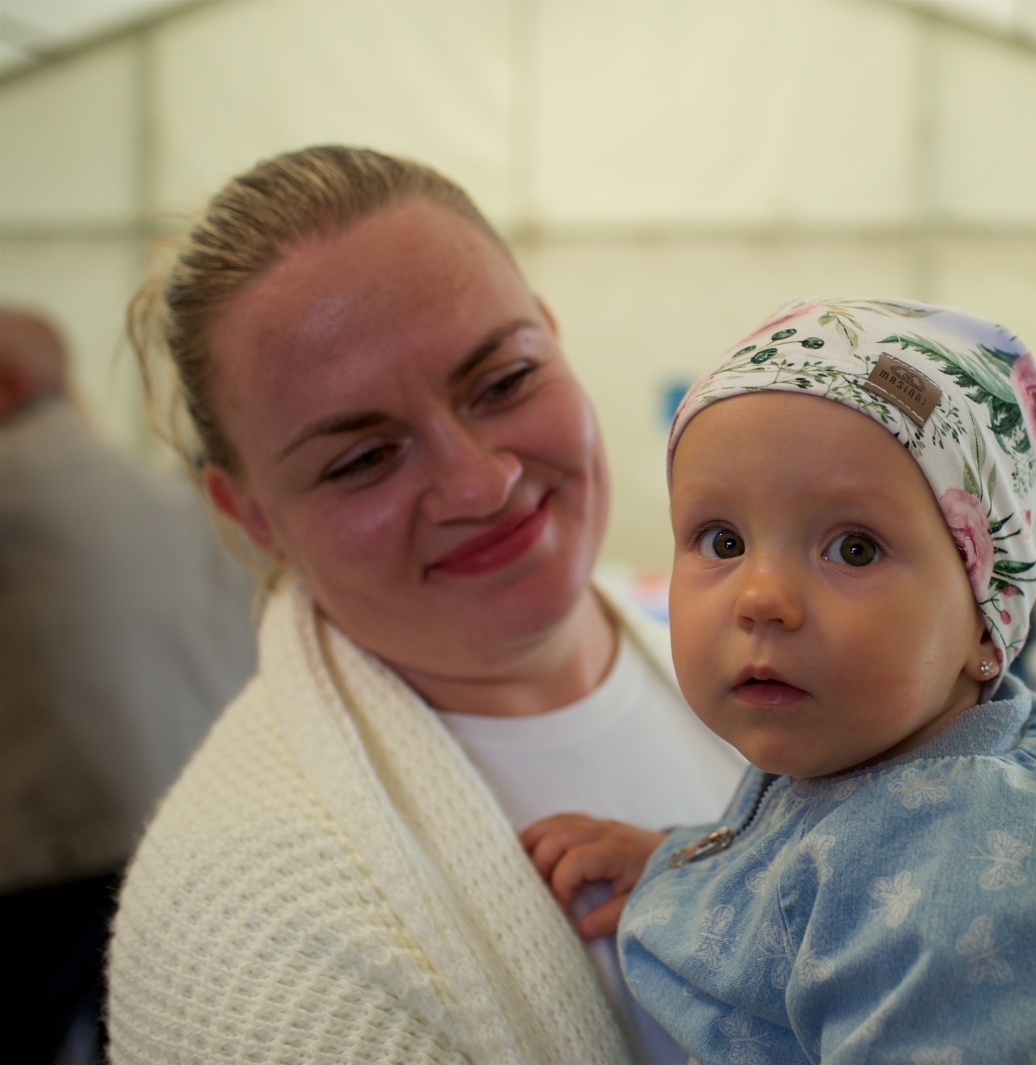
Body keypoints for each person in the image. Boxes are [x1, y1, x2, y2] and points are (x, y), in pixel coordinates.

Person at [105, 146, 744, 1064]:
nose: (481, 483)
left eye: (506, 381)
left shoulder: (728, 651)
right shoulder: (253, 944)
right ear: (250, 514)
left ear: (554, 336)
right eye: (362, 458)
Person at [525, 299, 1036, 1064]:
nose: (761, 597)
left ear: (984, 617)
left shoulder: (983, 866)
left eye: (854, 548)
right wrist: (677, 862)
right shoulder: (872, 745)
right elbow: (808, 875)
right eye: (722, 540)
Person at [0, 309, 255, 1065]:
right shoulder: (158, 494)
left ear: (7, 385)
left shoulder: (14, 491)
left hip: (58, 845)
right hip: (183, 825)